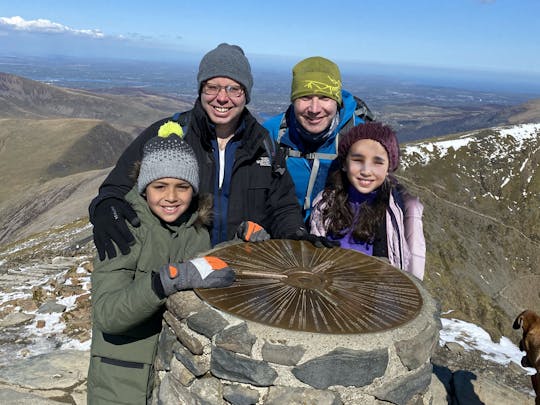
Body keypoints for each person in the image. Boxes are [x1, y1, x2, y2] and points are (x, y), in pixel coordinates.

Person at [89, 43, 332, 261]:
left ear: (245, 94)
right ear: (201, 90)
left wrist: (295, 234)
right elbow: (116, 186)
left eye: (233, 89)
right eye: (212, 87)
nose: (222, 98)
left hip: (243, 268)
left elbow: (282, 205)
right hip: (178, 269)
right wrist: (105, 206)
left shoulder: (263, 144)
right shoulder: (169, 134)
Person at [87, 130, 235, 404]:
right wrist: (160, 283)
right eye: (160, 186)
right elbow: (107, 315)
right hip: (121, 381)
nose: (171, 197)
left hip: (169, 377)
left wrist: (242, 245)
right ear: (144, 186)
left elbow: (204, 272)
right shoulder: (124, 228)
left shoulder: (196, 231)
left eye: (182, 186)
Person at [309, 122, 426, 280]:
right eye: (357, 160)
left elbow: (414, 264)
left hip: (375, 294)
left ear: (388, 168)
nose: (366, 171)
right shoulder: (325, 203)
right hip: (329, 288)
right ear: (344, 164)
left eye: (377, 162)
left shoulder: (401, 212)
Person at [264, 56, 374, 221]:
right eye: (305, 97)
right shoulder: (271, 133)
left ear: (337, 102)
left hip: (336, 235)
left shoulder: (361, 137)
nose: (314, 109)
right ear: (294, 100)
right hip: (281, 232)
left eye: (324, 98)